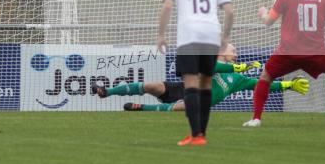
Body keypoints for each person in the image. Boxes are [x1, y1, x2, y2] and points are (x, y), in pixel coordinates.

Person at [244, 0, 325, 127]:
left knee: (265, 77)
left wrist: (263, 13)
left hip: (288, 51)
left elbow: (268, 22)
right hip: (315, 51)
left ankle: (256, 119)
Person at [157, 0, 234, 146]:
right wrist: (225, 37)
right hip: (211, 34)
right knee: (206, 83)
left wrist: (161, 34)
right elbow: (229, 10)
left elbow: (167, 6)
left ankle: (194, 134)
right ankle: (202, 135)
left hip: (189, 35)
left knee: (190, 83)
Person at [95, 43, 310, 110]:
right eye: (232, 50)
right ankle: (107, 91)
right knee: (152, 85)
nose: (235, 54)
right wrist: (237, 67)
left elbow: (261, 84)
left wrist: (288, 85)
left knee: (185, 106)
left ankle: (142, 108)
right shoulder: (212, 62)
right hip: (185, 88)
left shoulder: (238, 79)